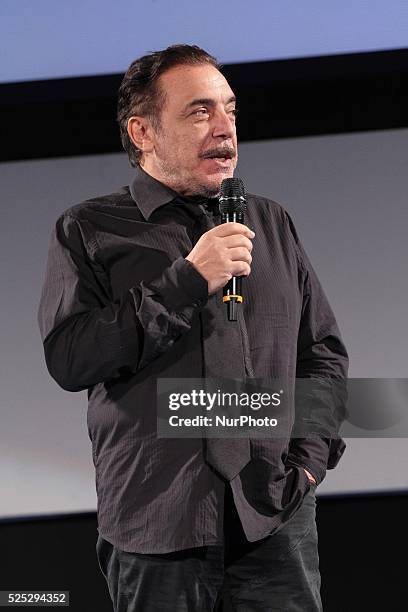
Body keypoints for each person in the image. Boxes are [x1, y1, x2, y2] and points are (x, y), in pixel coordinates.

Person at [37, 44, 348, 611]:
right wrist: (184, 282)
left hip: (272, 518)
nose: (225, 129)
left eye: (230, 110)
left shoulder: (269, 221)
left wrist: (307, 461)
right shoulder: (89, 229)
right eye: (200, 112)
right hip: (157, 527)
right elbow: (72, 357)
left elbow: (322, 353)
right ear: (143, 131)